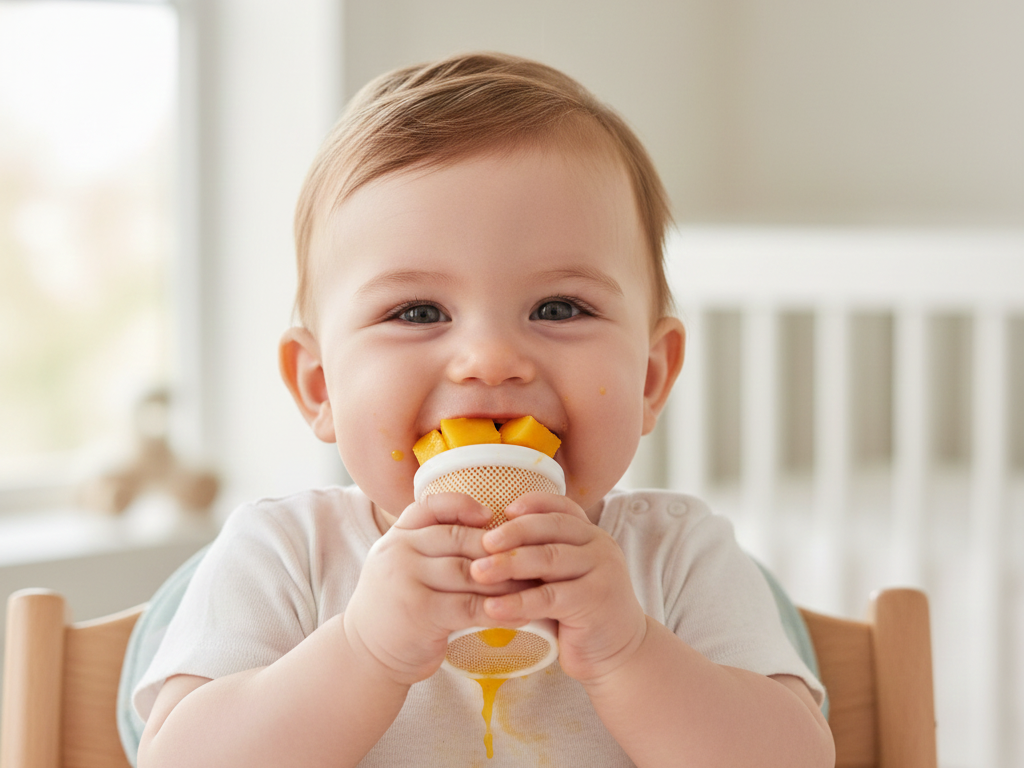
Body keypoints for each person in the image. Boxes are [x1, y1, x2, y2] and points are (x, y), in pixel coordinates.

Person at [134, 52, 833, 767]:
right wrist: (364, 650)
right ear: (319, 387)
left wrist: (630, 651)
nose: (491, 358)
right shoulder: (285, 555)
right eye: (417, 311)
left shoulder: (679, 558)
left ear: (652, 377)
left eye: (559, 307)